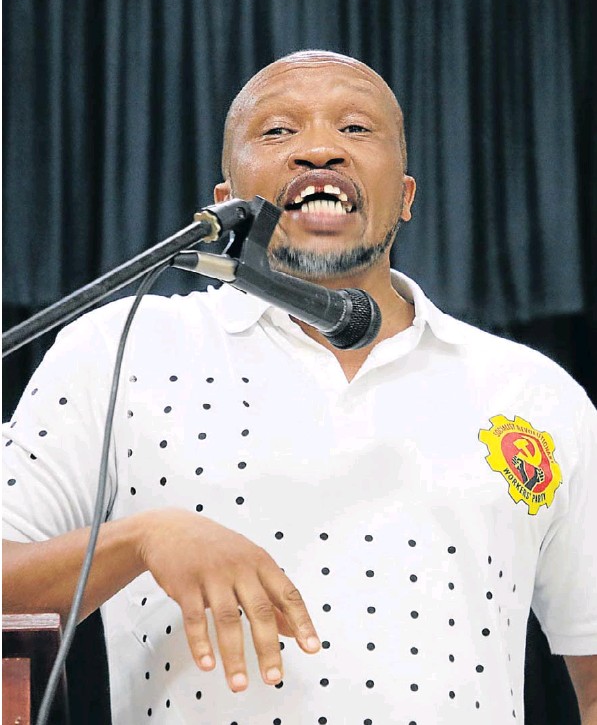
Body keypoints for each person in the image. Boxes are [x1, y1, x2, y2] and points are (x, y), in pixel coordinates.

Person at [3, 50, 597, 725]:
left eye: (354, 129)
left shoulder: (532, 391)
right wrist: (140, 540)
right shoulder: (121, 348)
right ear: (225, 206)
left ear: (404, 197)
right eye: (279, 131)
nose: (319, 149)